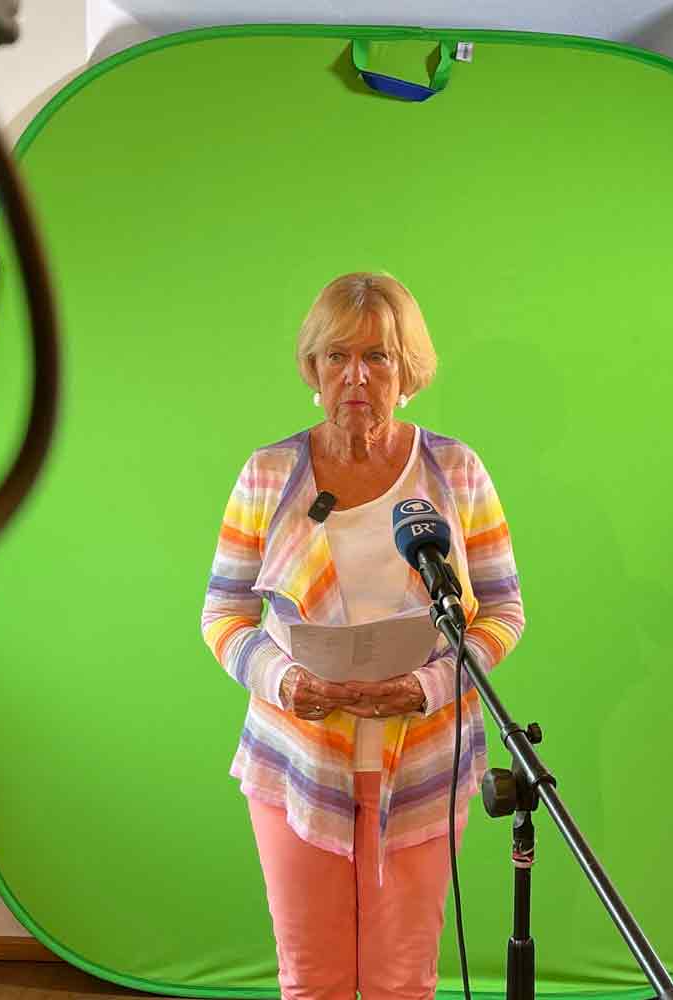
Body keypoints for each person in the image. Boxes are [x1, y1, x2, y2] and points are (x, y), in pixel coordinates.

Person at [200, 272, 525, 1000]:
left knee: (402, 981)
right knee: (311, 978)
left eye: (377, 356)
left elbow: (503, 609)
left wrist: (427, 686)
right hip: (297, 758)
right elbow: (222, 615)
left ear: (407, 371)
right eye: (337, 356)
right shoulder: (268, 474)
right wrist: (284, 681)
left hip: (423, 760)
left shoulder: (456, 471)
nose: (356, 376)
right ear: (313, 369)